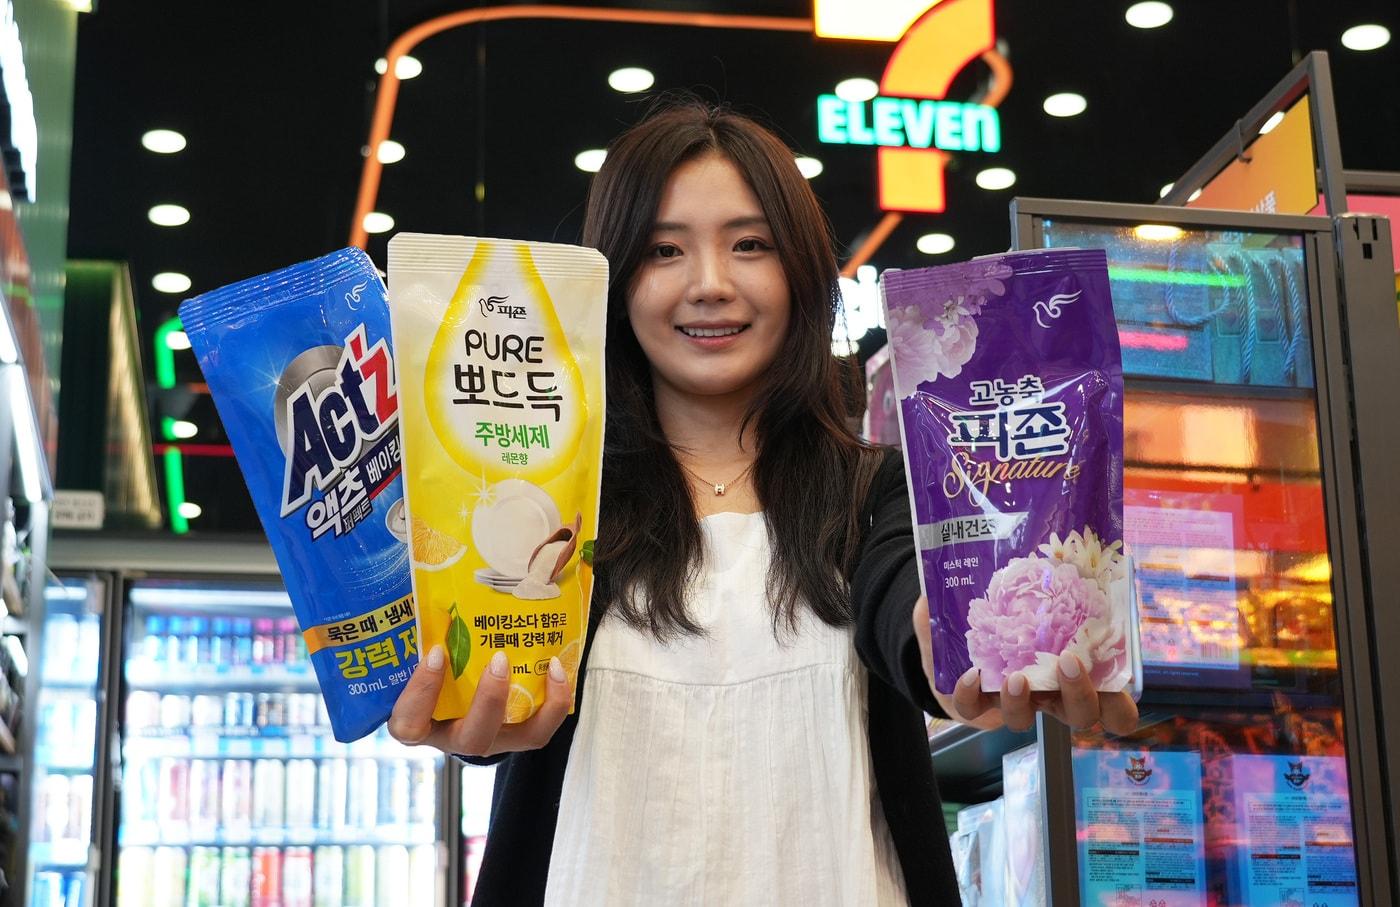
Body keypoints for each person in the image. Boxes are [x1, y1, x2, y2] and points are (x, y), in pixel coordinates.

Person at [387, 100, 1138, 905]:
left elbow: (905, 605)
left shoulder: (876, 491)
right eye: (664, 250)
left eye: (750, 244)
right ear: (614, 280)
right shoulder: (565, 503)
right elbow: (499, 671)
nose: (710, 284)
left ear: (802, 273)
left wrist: (962, 650)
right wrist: (467, 709)